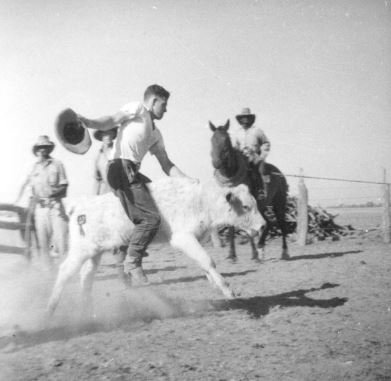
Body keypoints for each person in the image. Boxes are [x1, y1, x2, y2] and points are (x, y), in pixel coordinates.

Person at [78, 84, 195, 285]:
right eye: (164, 105)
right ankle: (132, 261)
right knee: (151, 219)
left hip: (132, 172)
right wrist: (88, 122)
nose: (166, 109)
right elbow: (112, 120)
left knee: (156, 198)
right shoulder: (138, 109)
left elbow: (166, 164)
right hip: (120, 168)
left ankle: (136, 243)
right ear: (153, 101)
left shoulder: (156, 135)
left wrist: (188, 181)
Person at [15, 135, 69, 267]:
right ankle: (47, 274)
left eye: (45, 147)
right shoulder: (32, 168)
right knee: (43, 243)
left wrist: (52, 193)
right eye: (40, 148)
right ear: (36, 150)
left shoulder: (57, 164)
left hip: (55, 207)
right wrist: (18, 202)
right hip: (39, 209)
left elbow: (64, 186)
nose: (42, 150)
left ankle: (65, 274)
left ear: (49, 149)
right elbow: (25, 187)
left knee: (61, 241)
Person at [232, 107, 271, 200]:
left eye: (247, 117)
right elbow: (235, 146)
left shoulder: (257, 131)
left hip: (254, 157)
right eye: (243, 117)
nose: (245, 119)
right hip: (241, 157)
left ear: (250, 119)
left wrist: (261, 156)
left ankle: (261, 190)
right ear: (240, 119)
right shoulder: (237, 132)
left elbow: (266, 143)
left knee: (260, 169)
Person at [93, 128, 117, 195]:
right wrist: (95, 197)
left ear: (114, 135)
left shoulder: (120, 151)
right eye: (105, 134)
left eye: (110, 133)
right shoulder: (98, 157)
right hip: (106, 194)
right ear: (101, 137)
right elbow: (97, 180)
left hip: (123, 194)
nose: (108, 136)